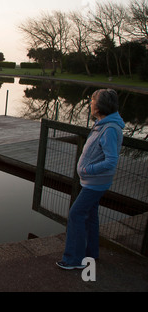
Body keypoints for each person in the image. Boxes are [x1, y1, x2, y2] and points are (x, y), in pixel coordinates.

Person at [57, 89, 125, 270]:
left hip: (95, 182)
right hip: (93, 181)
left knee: (76, 214)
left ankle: (73, 259)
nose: (90, 104)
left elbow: (111, 161)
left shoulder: (110, 129)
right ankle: (90, 254)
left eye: (93, 101)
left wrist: (87, 169)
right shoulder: (102, 124)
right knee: (90, 217)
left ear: (100, 105)